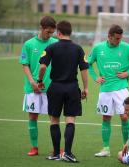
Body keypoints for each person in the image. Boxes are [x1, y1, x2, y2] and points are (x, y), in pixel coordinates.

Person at [88, 24, 129, 157]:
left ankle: (127, 148)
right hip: (105, 89)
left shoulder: (126, 47)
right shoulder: (98, 48)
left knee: (124, 117)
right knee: (106, 117)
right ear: (109, 37)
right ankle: (106, 149)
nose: (119, 41)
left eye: (120, 38)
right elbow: (87, 63)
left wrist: (128, 72)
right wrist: (95, 77)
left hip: (121, 88)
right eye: (117, 39)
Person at [38, 20, 88, 162]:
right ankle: (67, 153)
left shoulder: (51, 47)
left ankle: (55, 153)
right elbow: (84, 69)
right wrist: (86, 88)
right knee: (70, 119)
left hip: (55, 87)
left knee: (54, 120)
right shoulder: (78, 49)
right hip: (72, 87)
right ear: (70, 32)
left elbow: (42, 67)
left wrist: (40, 81)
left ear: (58, 33)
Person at [19, 16, 57, 156]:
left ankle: (57, 148)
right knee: (33, 117)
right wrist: (32, 82)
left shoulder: (55, 43)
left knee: (53, 118)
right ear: (41, 28)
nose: (50, 35)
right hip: (32, 88)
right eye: (48, 32)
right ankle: (34, 147)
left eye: (52, 32)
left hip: (51, 88)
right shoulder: (29, 44)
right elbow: (25, 64)